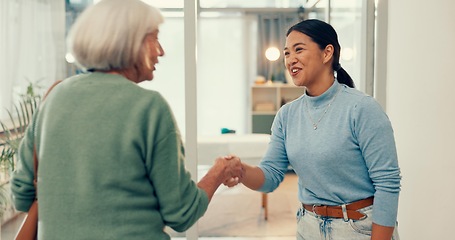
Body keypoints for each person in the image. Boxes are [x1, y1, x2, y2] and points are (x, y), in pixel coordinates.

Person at [11, 0, 242, 239]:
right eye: (155, 38)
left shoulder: (53, 99)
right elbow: (182, 213)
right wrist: (219, 171)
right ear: (131, 41)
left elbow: (22, 195)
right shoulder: (149, 108)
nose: (161, 51)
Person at [229, 19, 401, 240]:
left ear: (327, 53)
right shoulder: (287, 115)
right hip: (308, 227)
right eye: (287, 53)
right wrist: (239, 170)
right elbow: (270, 176)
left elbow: (388, 182)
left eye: (298, 50)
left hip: (359, 229)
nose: (291, 60)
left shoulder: (362, 108)